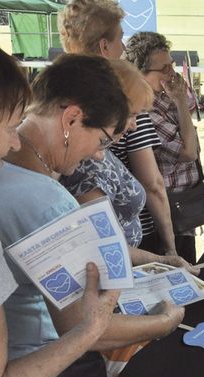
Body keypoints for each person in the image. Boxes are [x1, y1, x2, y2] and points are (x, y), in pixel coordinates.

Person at [0, 54, 186, 377]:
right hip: (44, 376)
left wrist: (152, 259)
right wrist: (164, 322)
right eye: (104, 139)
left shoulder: (5, 174)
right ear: (72, 118)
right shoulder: (45, 200)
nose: (98, 155)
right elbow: (87, 328)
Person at [0, 43, 119, 377]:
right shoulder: (40, 201)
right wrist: (91, 329)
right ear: (71, 118)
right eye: (11, 127)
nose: (14, 144)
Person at [59, 0, 179, 258]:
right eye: (121, 39)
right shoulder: (123, 95)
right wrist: (168, 250)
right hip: (123, 253)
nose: (124, 48)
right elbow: (152, 182)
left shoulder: (62, 88)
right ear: (105, 46)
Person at [59, 59, 194, 270]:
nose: (133, 126)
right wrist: (166, 258)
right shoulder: (85, 160)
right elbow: (105, 246)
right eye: (131, 115)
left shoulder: (97, 149)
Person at [125, 31, 202, 263]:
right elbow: (189, 151)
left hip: (185, 202)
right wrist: (179, 101)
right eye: (164, 69)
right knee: (177, 267)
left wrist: (179, 102)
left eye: (172, 65)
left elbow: (193, 143)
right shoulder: (144, 110)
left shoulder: (166, 97)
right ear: (141, 73)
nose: (173, 73)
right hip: (165, 210)